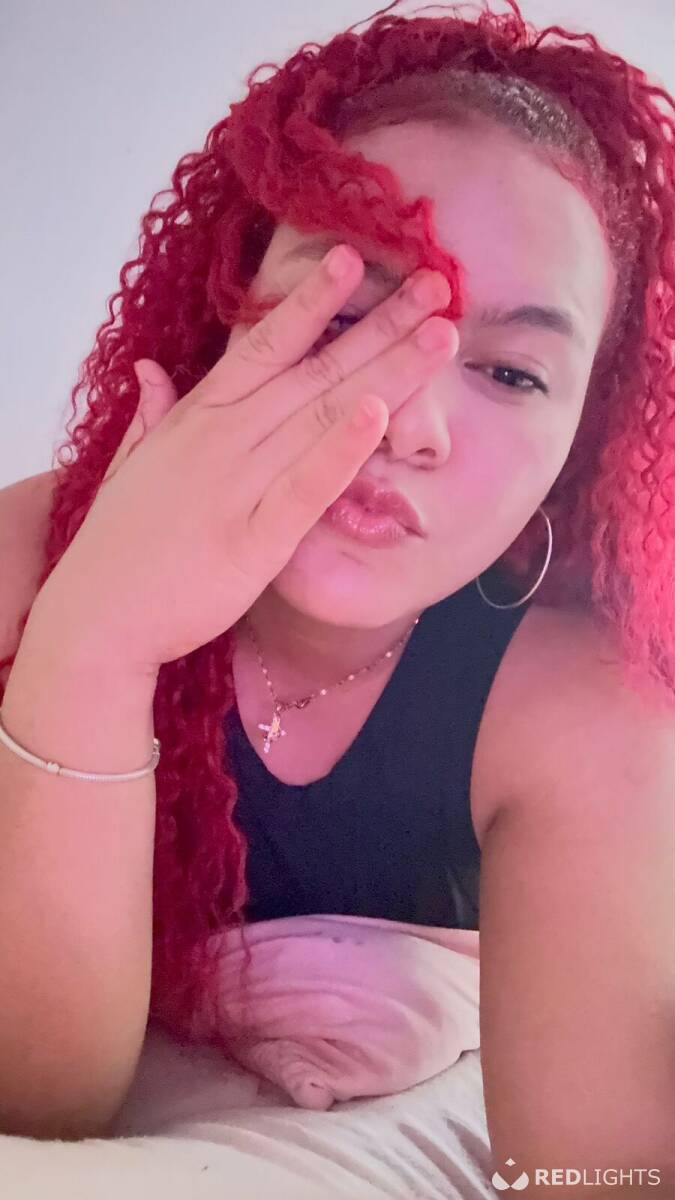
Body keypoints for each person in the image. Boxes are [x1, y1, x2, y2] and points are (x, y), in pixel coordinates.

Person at [0, 0, 672, 1177]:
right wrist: (95, 639)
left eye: (514, 374)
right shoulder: (31, 555)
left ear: (584, 439)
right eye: (350, 316)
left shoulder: (580, 706)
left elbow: (597, 1170)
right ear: (229, 308)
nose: (406, 421)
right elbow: (37, 1109)